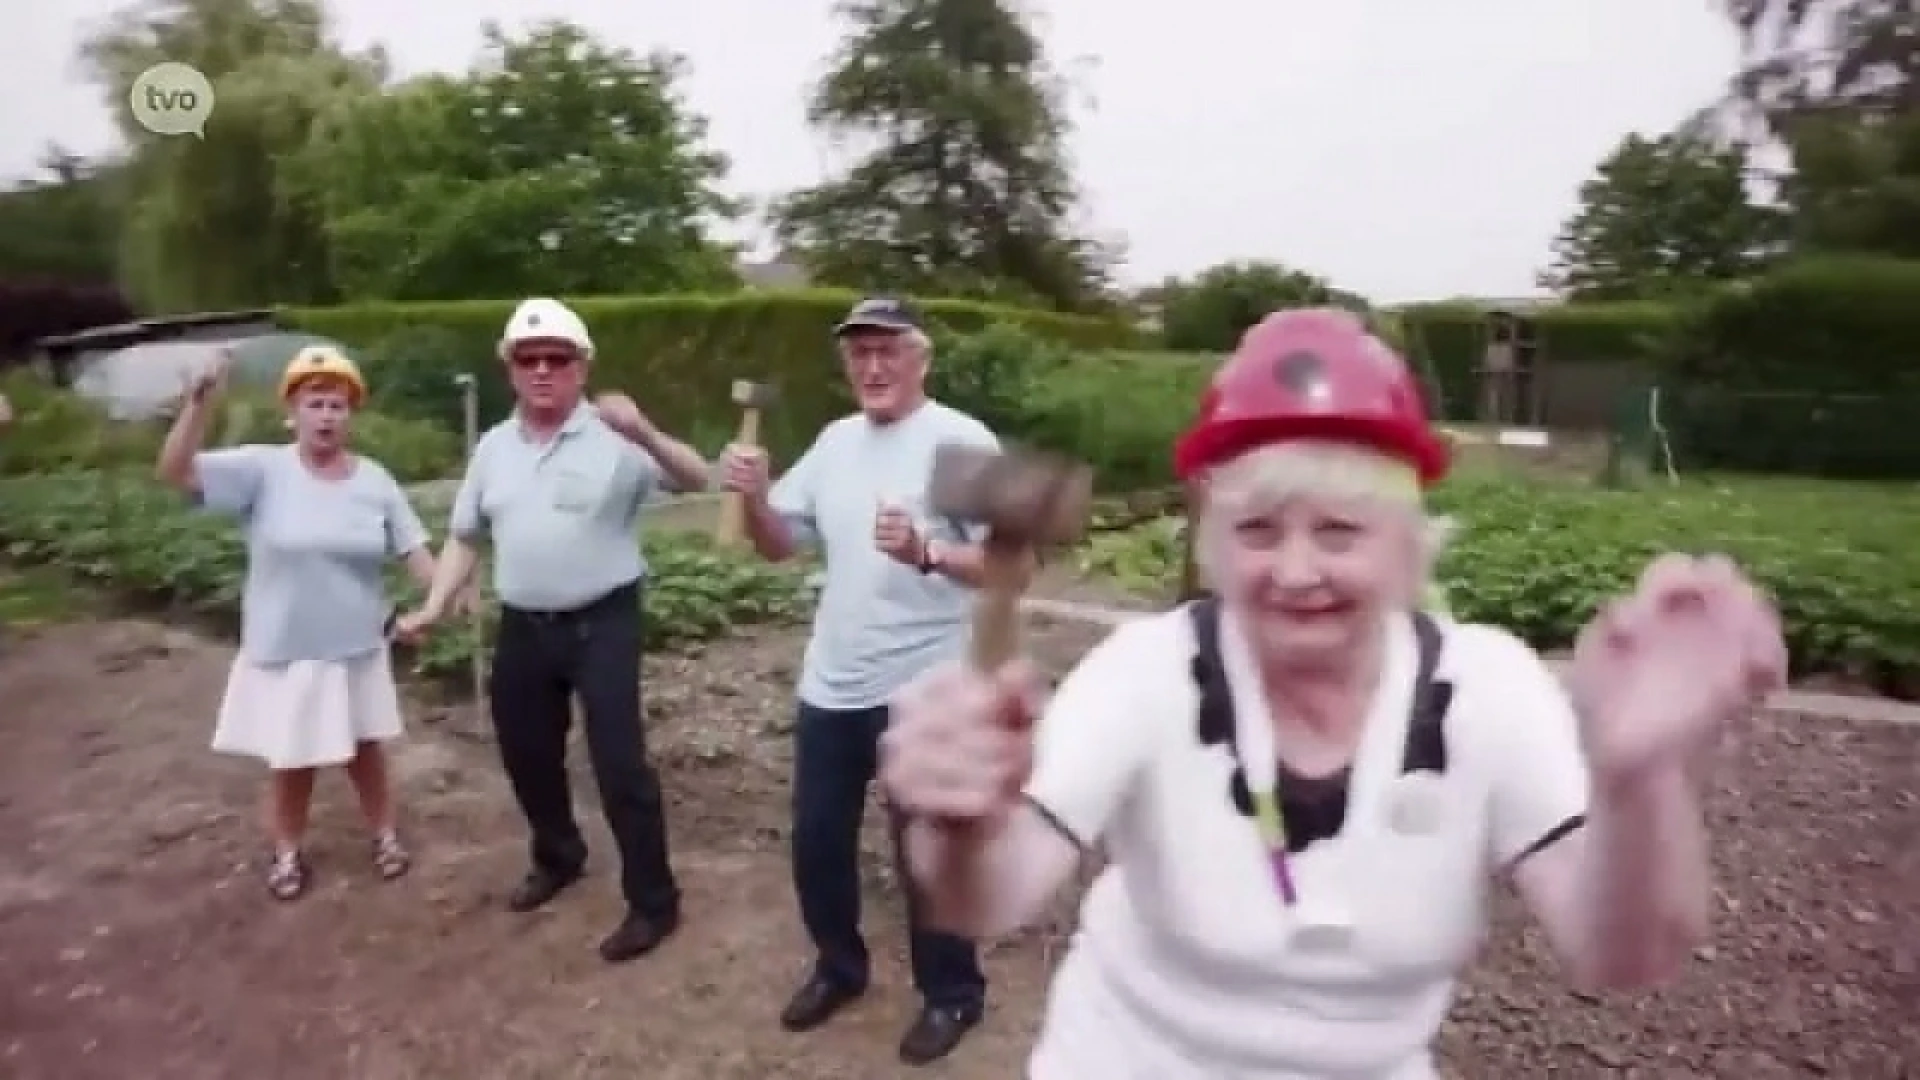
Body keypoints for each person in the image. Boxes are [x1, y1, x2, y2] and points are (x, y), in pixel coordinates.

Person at [878, 307, 1788, 1079]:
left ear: (1409, 541)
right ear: (1213, 541)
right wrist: (957, 824)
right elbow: (982, 904)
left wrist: (1639, 784)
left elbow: (1620, 956)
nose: (1297, 570)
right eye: (1259, 529)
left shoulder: (1487, 688)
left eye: (1342, 530)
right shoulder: (1146, 671)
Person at [717, 296, 999, 1065]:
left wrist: (927, 552)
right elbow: (778, 546)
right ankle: (840, 969)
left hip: (925, 683)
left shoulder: (962, 443)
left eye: (888, 351)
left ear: (921, 358)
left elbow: (1010, 563)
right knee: (816, 844)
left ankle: (952, 994)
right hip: (834, 683)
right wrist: (751, 495)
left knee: (927, 852)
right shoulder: (835, 442)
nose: (872, 367)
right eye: (859, 353)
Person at [397, 297, 710, 965]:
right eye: (528, 359)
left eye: (557, 359)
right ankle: (559, 854)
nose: (543, 370)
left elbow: (697, 477)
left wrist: (647, 432)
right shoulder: (493, 449)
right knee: (526, 753)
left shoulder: (615, 438)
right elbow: (464, 536)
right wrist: (433, 604)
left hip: (604, 621)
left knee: (619, 762)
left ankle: (654, 901)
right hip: (525, 626)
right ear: (510, 368)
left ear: (581, 366)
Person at [156, 345, 437, 902]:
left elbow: (416, 552)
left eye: (338, 404)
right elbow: (175, 472)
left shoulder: (374, 481)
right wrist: (199, 402)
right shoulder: (263, 470)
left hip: (356, 644)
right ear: (293, 411)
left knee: (365, 751)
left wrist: (440, 600)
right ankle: (287, 853)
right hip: (289, 649)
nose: (328, 415)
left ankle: (384, 836)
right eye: (316, 402)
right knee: (292, 760)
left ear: (351, 414)